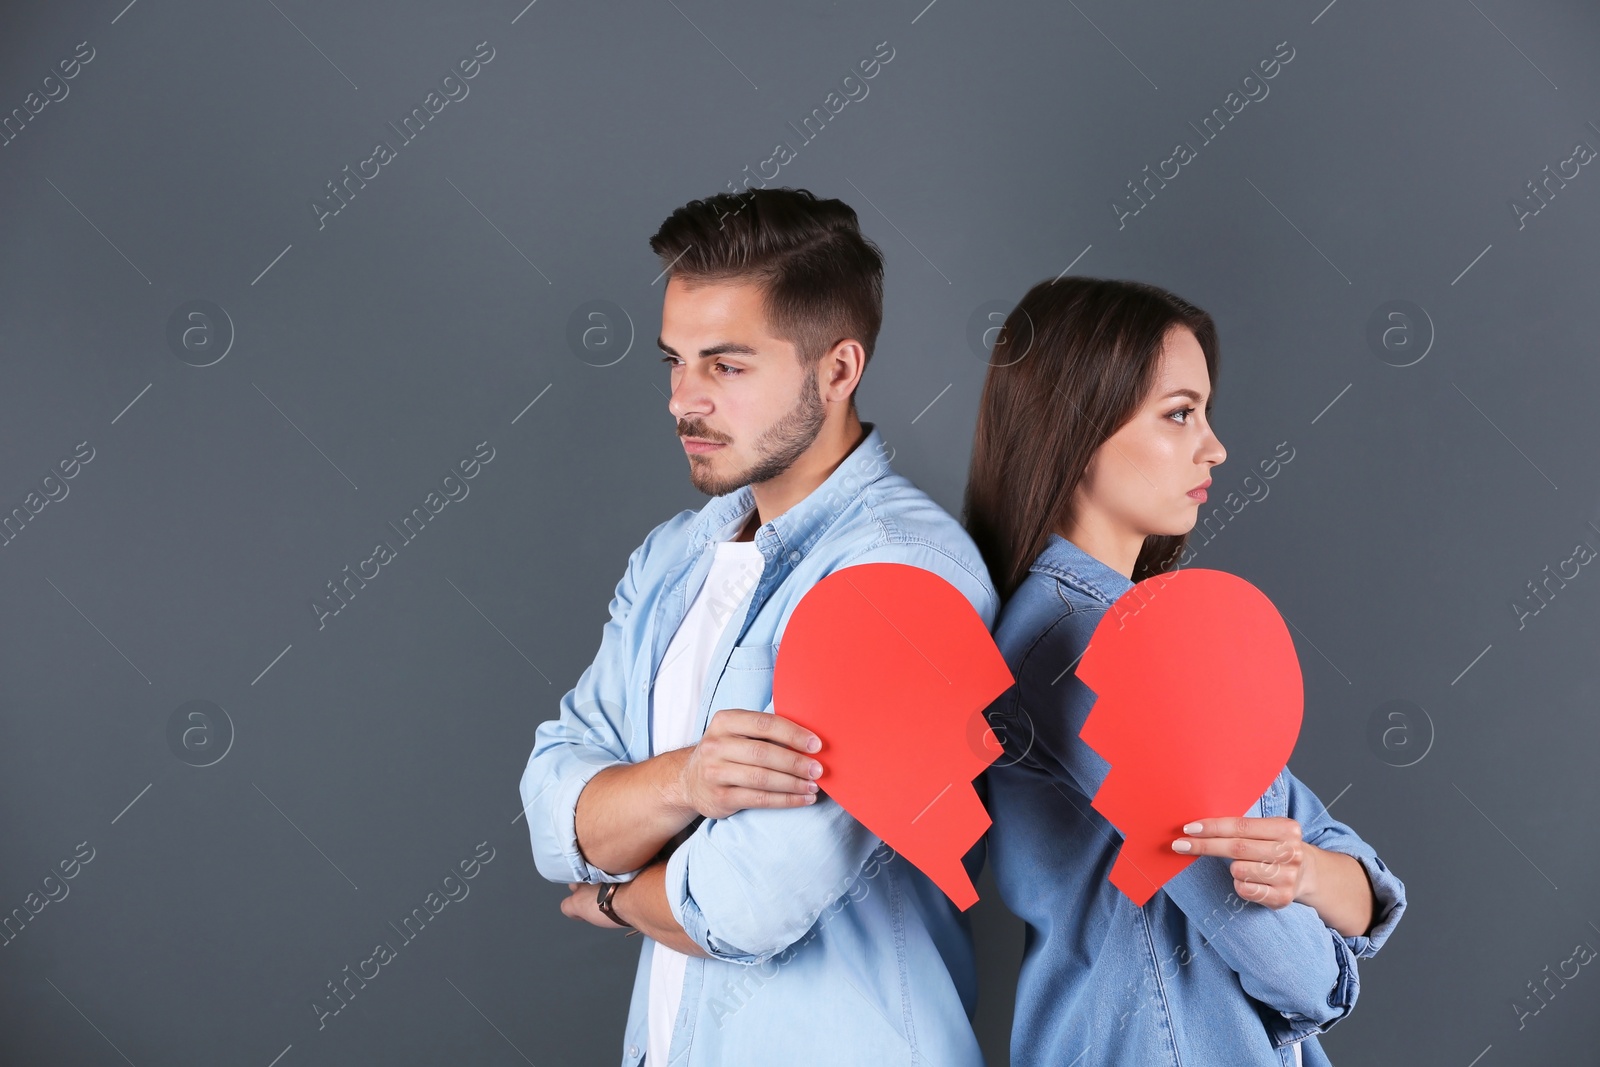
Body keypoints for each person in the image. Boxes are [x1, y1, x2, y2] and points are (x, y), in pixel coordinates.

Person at [519, 186, 999, 1066]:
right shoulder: (672, 558)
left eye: (727, 367)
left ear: (838, 370)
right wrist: (689, 782)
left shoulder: (907, 578)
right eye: (676, 361)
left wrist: (617, 895)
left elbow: (746, 904)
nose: (682, 401)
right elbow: (554, 808)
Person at [964, 276, 1407, 1067]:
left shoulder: (1122, 630)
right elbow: (1301, 974)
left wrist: (1305, 867)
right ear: (1077, 427)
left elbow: (1348, 869)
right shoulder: (1087, 649)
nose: (1216, 445)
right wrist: (1324, 922)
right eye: (1179, 414)